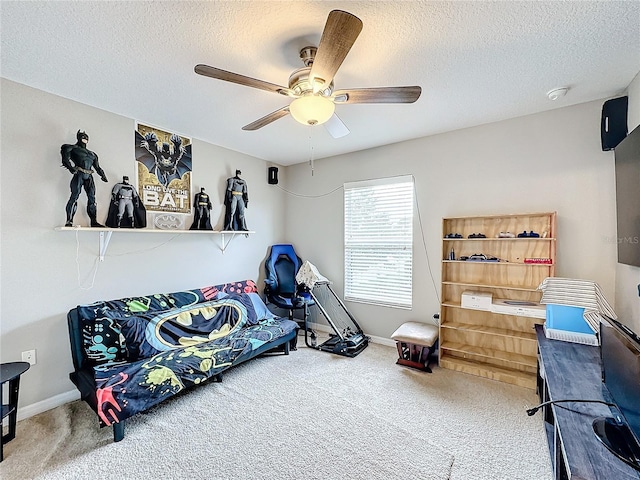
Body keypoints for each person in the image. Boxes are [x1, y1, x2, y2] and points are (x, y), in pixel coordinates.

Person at [61, 130, 108, 227]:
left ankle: (94, 221)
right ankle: (69, 220)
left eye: (86, 137)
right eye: (83, 136)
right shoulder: (71, 148)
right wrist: (70, 168)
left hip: (89, 175)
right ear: (78, 138)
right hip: (79, 173)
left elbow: (97, 167)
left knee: (92, 198)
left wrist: (102, 175)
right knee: (74, 196)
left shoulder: (92, 154)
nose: (85, 138)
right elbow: (65, 159)